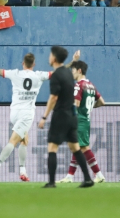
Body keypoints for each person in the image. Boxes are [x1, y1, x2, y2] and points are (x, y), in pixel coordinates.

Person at [0, 46, 50, 183]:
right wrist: (73, 61)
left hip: (14, 113)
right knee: (13, 141)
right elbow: (58, 73)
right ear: (33, 64)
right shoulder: (39, 75)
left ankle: (23, 171)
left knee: (24, 140)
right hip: (26, 114)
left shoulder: (15, 73)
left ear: (23, 63)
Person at [37, 46, 94, 188]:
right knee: (75, 147)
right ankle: (87, 178)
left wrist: (44, 117)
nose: (49, 57)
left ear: (54, 58)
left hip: (60, 115)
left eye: (50, 55)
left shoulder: (56, 75)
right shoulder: (69, 73)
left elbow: (53, 98)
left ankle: (51, 182)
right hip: (72, 116)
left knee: (52, 148)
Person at [59, 53, 106, 184]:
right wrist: (89, 108)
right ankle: (69, 176)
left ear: (79, 71)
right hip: (85, 119)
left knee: (83, 147)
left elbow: (76, 104)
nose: (72, 73)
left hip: (79, 120)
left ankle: (99, 174)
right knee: (77, 147)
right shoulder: (91, 85)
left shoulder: (78, 85)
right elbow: (102, 101)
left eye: (73, 71)